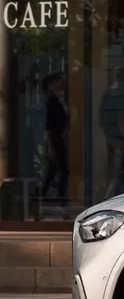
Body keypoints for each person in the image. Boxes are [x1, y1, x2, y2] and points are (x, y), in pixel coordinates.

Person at [100, 68, 124, 199]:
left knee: (115, 170)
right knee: (119, 171)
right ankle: (110, 197)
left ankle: (110, 195)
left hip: (110, 136)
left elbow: (102, 119)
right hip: (119, 139)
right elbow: (121, 120)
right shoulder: (118, 95)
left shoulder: (106, 94)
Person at [41, 72, 69, 208]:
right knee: (63, 171)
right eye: (60, 81)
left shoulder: (61, 99)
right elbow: (48, 126)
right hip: (55, 139)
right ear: (52, 84)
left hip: (60, 138)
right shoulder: (51, 101)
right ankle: (61, 200)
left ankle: (40, 198)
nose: (63, 84)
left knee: (52, 171)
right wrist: (50, 146)